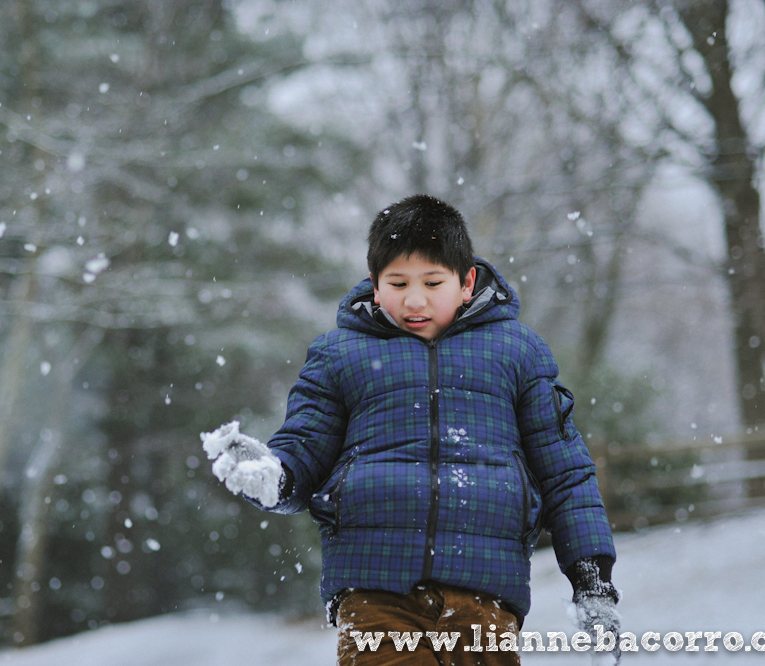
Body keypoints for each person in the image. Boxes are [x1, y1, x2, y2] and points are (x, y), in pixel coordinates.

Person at [202, 195, 620, 665]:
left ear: (466, 283)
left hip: (485, 591)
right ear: (375, 287)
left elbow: (566, 472)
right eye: (397, 282)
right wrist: (274, 476)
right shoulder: (341, 355)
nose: (414, 299)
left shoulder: (517, 353)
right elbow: (305, 447)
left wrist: (592, 579)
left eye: (432, 282)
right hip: (375, 590)